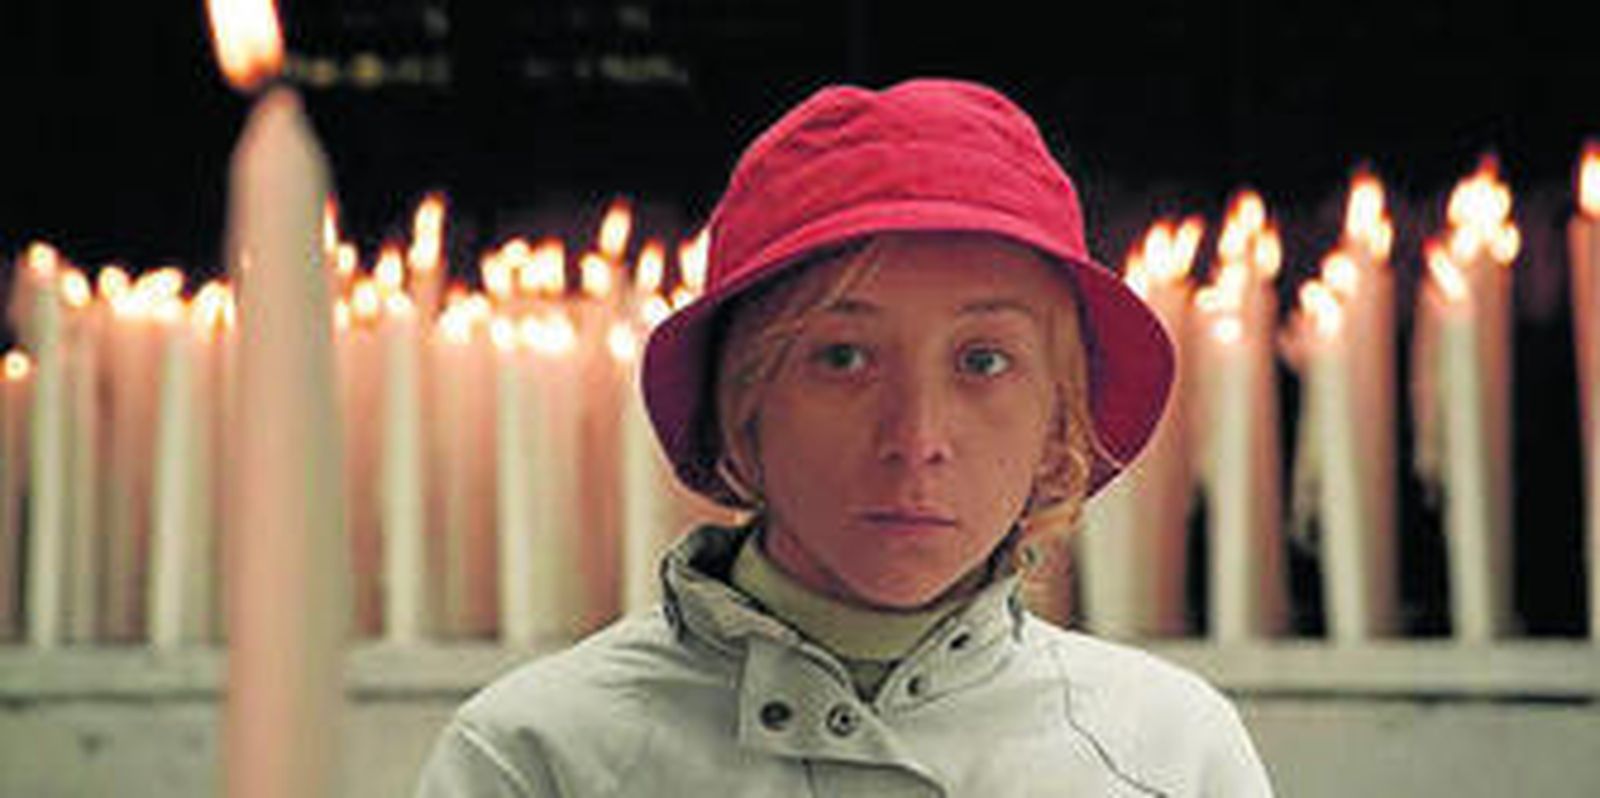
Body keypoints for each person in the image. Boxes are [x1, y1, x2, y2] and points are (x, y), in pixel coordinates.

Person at [415, 77, 1275, 797]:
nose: (917, 437)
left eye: (983, 361)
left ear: (1059, 424)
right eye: (843, 356)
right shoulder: (541, 758)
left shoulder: (1170, 758)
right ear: (742, 406)